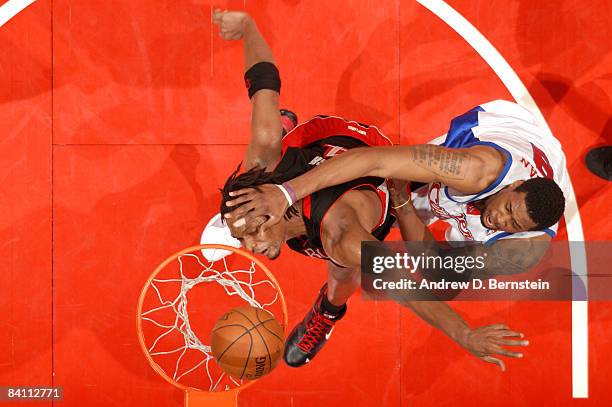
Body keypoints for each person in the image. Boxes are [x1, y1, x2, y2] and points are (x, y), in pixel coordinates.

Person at [211, 9, 528, 371]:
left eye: (250, 232)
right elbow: (262, 77)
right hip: (299, 169)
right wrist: (247, 28)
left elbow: (403, 283)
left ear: (273, 209)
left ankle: (328, 312)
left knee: (343, 270)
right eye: (245, 233)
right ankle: (281, 137)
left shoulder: (341, 235)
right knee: (265, 142)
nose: (251, 247)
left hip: (361, 152)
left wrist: (464, 334)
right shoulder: (259, 163)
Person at [224, 100, 569, 277]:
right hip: (505, 132)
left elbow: (435, 269)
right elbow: (376, 161)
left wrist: (403, 207)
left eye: (514, 225)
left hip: (524, 184)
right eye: (508, 209)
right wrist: (285, 193)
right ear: (517, 185)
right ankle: (286, 147)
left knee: (367, 249)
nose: (499, 220)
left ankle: (330, 308)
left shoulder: (522, 252)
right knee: (398, 174)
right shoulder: (472, 169)